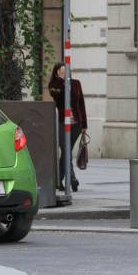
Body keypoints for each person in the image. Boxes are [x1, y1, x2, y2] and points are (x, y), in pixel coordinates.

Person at [47, 63, 87, 192]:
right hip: (62, 123)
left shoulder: (76, 83)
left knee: (66, 152)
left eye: (66, 71)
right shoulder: (54, 85)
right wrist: (61, 80)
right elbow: (56, 96)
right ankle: (73, 179)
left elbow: (81, 104)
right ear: (57, 72)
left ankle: (58, 181)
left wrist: (84, 125)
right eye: (62, 71)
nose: (65, 73)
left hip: (75, 124)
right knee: (66, 150)